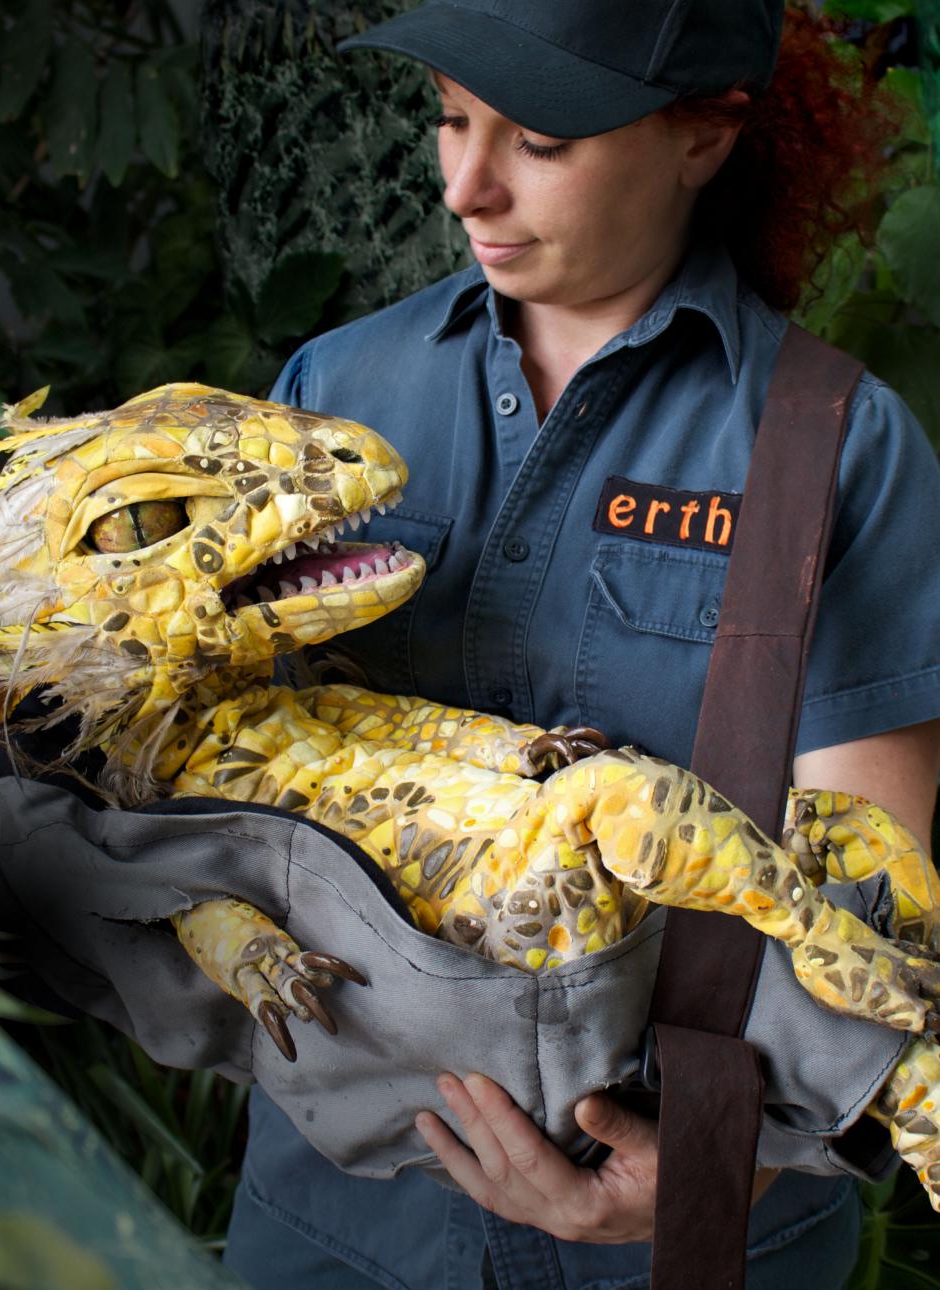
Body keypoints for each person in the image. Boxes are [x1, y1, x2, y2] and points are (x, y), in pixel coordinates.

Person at [216, 2, 940, 1288]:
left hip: (686, 1235)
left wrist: (724, 1164)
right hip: (343, 1214)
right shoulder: (336, 388)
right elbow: (227, 772)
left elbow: (871, 886)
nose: (464, 186)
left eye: (539, 141)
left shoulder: (834, 443)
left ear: (703, 138)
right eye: (449, 118)